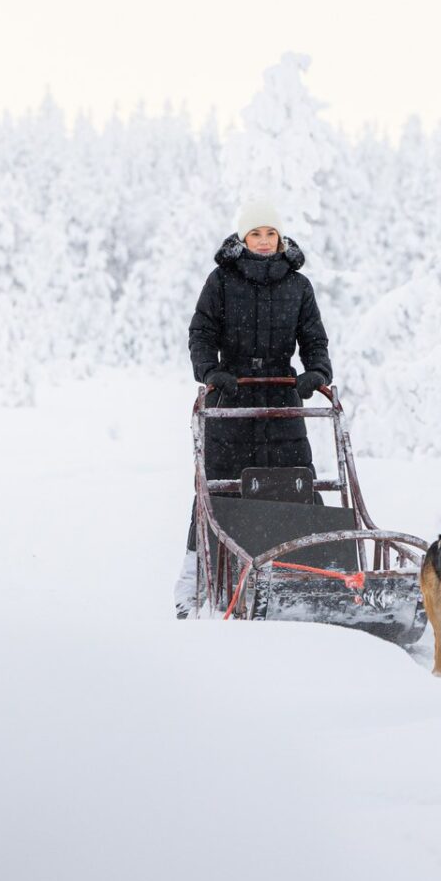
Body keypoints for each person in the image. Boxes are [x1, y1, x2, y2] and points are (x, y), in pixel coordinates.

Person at [175, 199, 333, 617]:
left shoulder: (298, 286)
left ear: (281, 238)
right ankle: (195, 578)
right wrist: (212, 372)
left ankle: (312, 573)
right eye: (255, 234)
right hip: (232, 397)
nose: (264, 242)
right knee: (219, 488)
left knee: (298, 482)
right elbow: (201, 333)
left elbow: (315, 339)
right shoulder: (222, 281)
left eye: (271, 234)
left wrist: (315, 373)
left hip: (283, 398)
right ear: (243, 239)